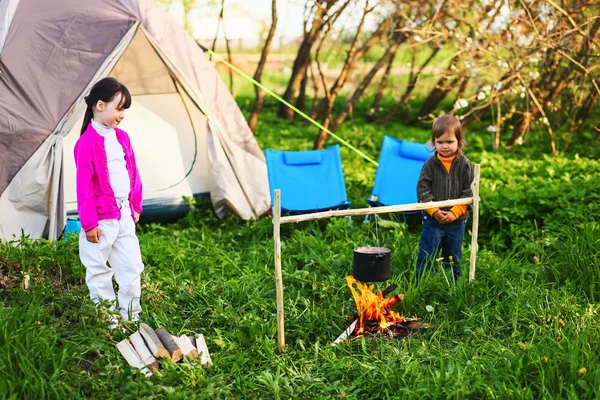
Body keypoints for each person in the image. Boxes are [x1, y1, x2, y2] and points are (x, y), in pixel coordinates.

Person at [74, 77, 144, 328]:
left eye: (125, 109)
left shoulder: (122, 137)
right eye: (119, 108)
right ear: (100, 105)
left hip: (124, 214)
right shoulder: (86, 143)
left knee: (131, 267)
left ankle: (131, 317)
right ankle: (109, 322)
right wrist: (89, 222)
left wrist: (135, 205)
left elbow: (133, 172)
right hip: (101, 220)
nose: (122, 114)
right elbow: (83, 187)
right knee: (98, 270)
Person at [415, 115, 474, 285]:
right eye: (440, 142)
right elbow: (422, 189)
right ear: (434, 142)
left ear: (459, 141)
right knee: (427, 254)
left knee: (453, 257)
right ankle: (422, 285)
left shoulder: (464, 165)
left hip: (456, 222)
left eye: (449, 141)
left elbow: (468, 192)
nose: (445, 146)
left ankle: (453, 287)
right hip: (433, 220)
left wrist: (455, 212)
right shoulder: (430, 165)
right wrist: (434, 210)